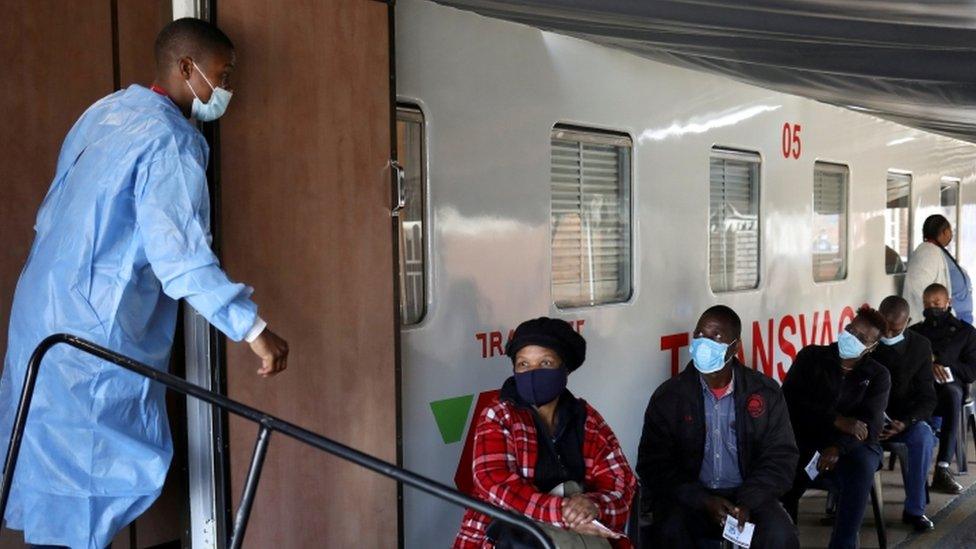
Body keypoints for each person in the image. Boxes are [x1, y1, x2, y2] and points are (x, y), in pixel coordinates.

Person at [0, 18, 289, 549]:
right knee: (84, 484)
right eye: (222, 76)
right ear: (187, 68)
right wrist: (253, 328)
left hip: (44, 317)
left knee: (52, 470)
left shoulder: (106, 113)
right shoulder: (171, 143)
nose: (227, 90)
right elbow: (179, 257)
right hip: (94, 334)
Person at [453, 317, 637, 549]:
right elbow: (493, 482)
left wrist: (592, 505)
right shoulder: (499, 415)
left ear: (565, 369)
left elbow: (621, 481)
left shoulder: (586, 418)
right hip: (509, 539)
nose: (532, 373)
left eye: (546, 363)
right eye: (523, 364)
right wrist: (560, 513)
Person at [637, 305, 799, 549]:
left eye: (716, 337)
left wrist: (747, 502)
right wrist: (702, 500)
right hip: (691, 498)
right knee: (667, 532)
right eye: (700, 334)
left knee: (780, 534)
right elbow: (653, 463)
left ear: (734, 347)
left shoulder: (764, 392)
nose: (704, 342)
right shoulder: (669, 396)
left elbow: (781, 457)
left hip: (748, 498)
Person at [781, 305, 891, 549]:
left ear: (871, 347)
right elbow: (789, 403)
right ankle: (785, 539)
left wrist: (838, 447)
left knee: (861, 467)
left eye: (861, 338)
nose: (851, 337)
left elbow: (870, 428)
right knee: (784, 465)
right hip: (809, 437)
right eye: (851, 330)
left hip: (855, 448)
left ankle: (843, 544)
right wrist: (836, 420)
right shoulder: (811, 357)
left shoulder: (878, 375)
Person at [872, 296, 936, 531]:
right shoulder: (866, 341)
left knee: (923, 437)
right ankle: (843, 504)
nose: (888, 334)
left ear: (907, 322)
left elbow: (928, 397)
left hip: (903, 420)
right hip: (868, 420)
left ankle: (914, 510)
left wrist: (906, 422)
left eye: (895, 329)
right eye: (884, 327)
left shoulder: (920, 346)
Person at [910, 283, 976, 494]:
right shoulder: (915, 332)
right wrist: (927, 365)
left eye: (937, 303)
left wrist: (947, 365)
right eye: (927, 304)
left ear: (948, 303)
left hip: (950, 389)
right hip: (920, 388)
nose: (932, 308)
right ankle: (917, 468)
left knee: (952, 395)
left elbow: (972, 371)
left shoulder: (965, 333)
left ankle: (942, 468)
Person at [904, 214, 973, 324]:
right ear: (945, 232)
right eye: (951, 230)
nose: (951, 234)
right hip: (932, 324)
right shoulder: (927, 252)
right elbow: (917, 287)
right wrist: (940, 312)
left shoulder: (934, 250)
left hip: (945, 323)